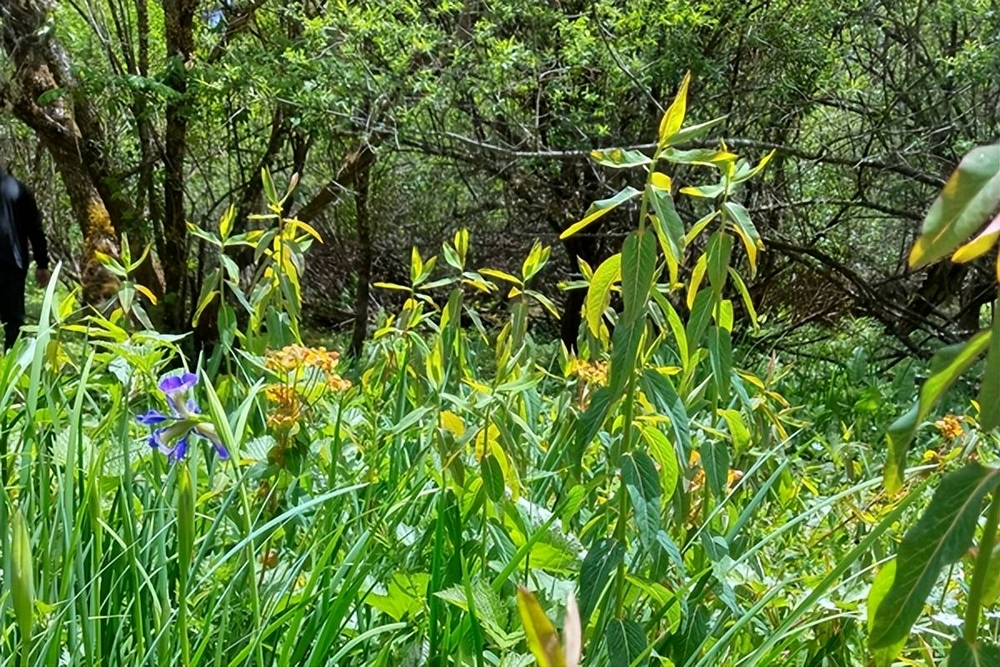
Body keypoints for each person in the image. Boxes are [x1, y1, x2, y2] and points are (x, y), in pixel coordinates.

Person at [0, 163, 50, 350]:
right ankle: (13, 372)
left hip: (13, 265)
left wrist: (42, 263)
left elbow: (35, 230)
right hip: (13, 264)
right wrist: (42, 264)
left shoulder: (20, 190)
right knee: (15, 322)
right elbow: (35, 230)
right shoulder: (20, 190)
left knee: (14, 323)